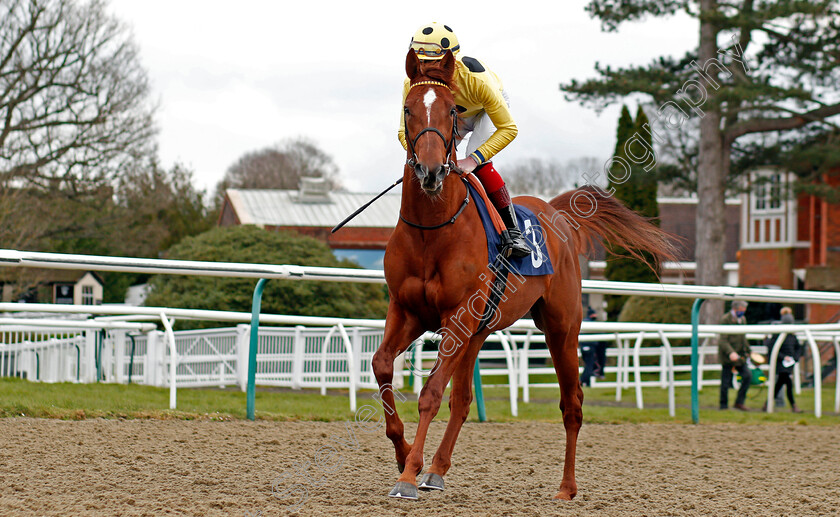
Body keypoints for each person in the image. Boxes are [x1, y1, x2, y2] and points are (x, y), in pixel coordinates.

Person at [398, 22, 530, 258]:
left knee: (476, 163)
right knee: (433, 160)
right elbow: (403, 132)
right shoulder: (412, 83)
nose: (424, 68)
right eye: (420, 61)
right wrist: (421, 158)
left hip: (485, 112)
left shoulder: (476, 81)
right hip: (448, 113)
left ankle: (513, 231)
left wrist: (473, 159)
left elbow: (508, 128)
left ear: (449, 61)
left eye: (431, 62)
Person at [764, 307, 804, 413]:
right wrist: (783, 357)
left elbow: (798, 348)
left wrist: (795, 358)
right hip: (780, 363)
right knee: (788, 383)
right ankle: (793, 406)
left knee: (780, 384)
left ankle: (767, 403)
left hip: (788, 364)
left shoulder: (792, 335)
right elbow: (772, 348)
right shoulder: (777, 334)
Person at [718, 300, 752, 411]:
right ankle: (723, 405)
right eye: (742, 310)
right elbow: (723, 340)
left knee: (747, 376)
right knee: (725, 381)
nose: (744, 312)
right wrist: (730, 352)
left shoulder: (743, 319)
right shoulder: (725, 319)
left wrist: (749, 350)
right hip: (728, 356)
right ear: (736, 308)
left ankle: (739, 402)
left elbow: (743, 338)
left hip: (740, 356)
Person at [579, 307, 598, 386]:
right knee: (589, 366)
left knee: (588, 365)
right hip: (590, 347)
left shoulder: (583, 322)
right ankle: (581, 381)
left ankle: (587, 383)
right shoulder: (592, 324)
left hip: (583, 347)